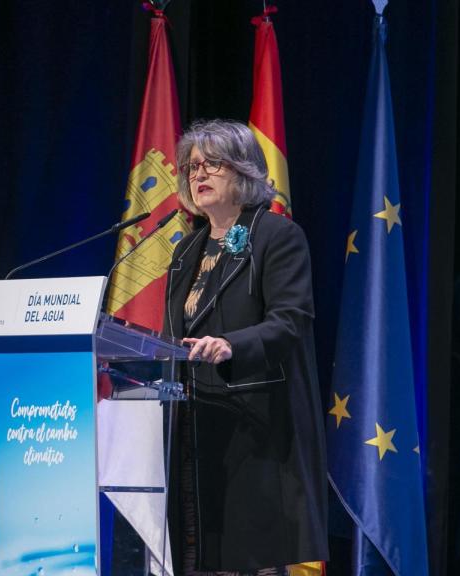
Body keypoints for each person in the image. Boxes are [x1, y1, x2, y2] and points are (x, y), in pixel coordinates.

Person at [163, 119, 328, 575]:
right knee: (200, 556)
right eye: (192, 166)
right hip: (195, 429)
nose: (198, 174)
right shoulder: (186, 251)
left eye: (212, 164)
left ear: (244, 170)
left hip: (254, 428)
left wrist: (230, 345)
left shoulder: (277, 236)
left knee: (251, 557)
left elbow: (290, 320)